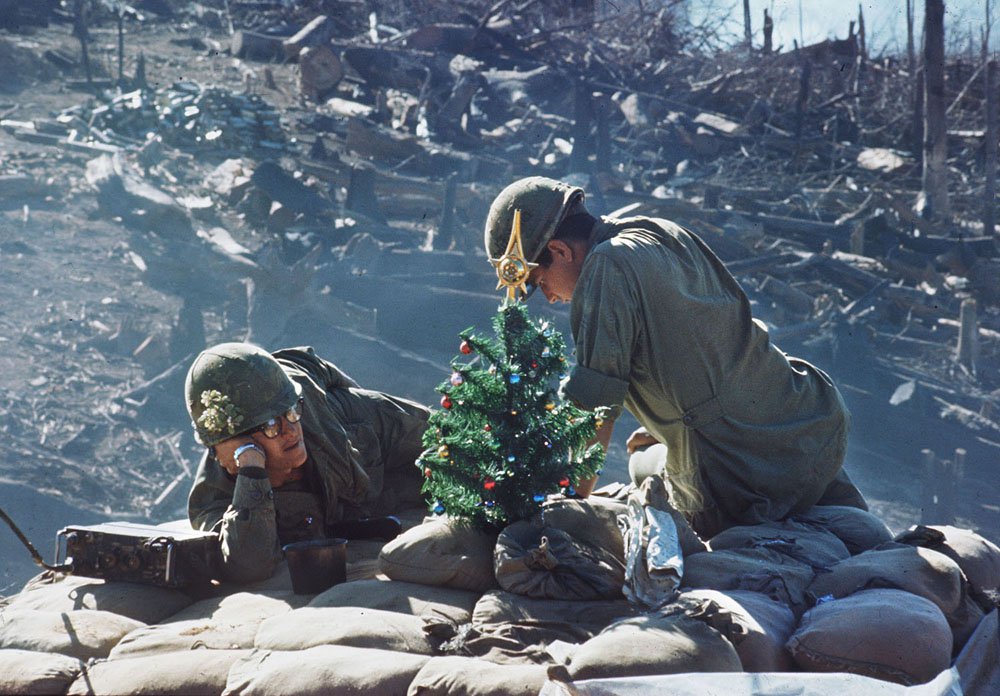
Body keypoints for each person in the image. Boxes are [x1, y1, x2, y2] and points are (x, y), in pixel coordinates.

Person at [484, 176, 868, 539]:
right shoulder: (656, 230)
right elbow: (713, 336)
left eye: (539, 283)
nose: (550, 297)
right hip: (805, 423)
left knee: (639, 461)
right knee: (864, 531)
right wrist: (670, 423)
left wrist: (570, 504)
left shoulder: (605, 267)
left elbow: (594, 408)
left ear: (560, 251)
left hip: (738, 477)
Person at [185, 342, 430, 582]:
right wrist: (251, 472)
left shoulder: (339, 415)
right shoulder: (215, 499)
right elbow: (249, 565)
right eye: (271, 425)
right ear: (232, 446)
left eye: (291, 411)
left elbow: (448, 436)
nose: (291, 431)